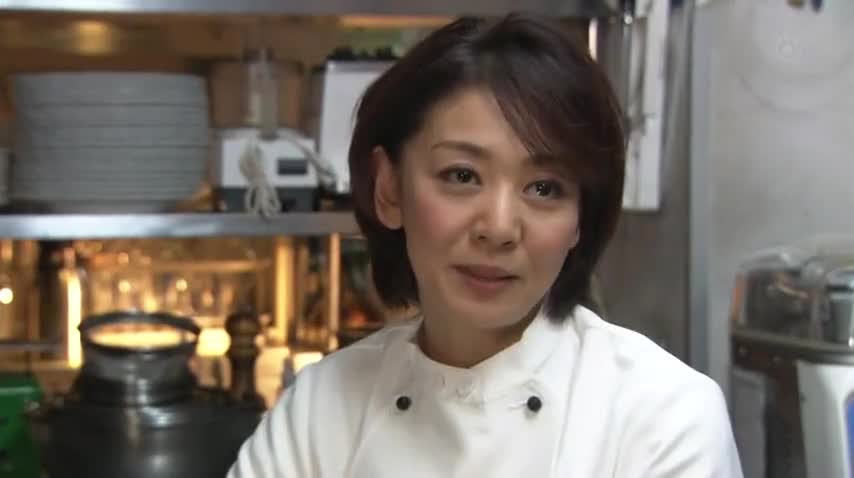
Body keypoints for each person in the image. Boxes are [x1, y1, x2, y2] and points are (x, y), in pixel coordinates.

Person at [228, 12, 743, 478]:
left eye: (544, 188)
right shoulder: (320, 408)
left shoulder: (663, 416)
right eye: (462, 175)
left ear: (580, 218)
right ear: (389, 190)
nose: (498, 228)